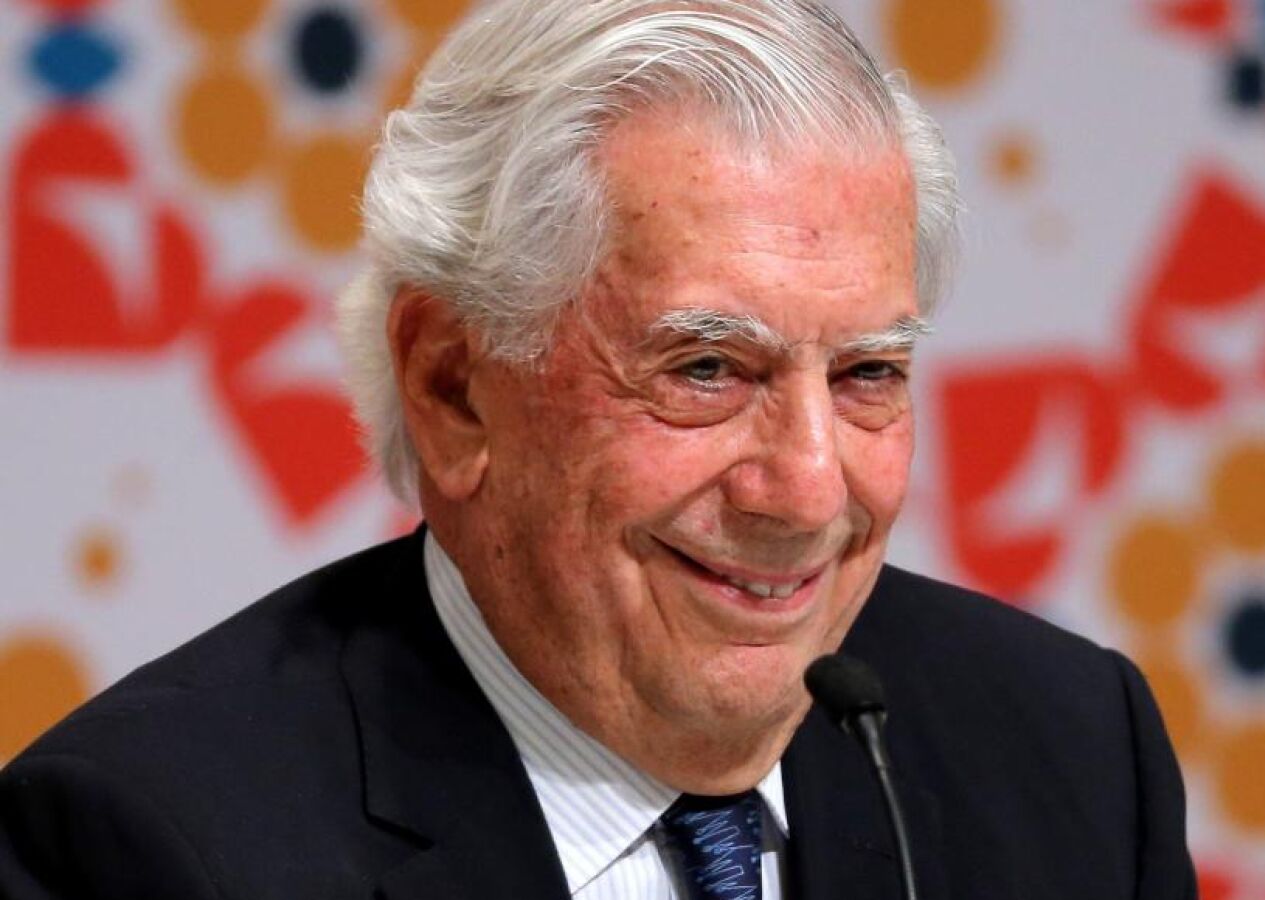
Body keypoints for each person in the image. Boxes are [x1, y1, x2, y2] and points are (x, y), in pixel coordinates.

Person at [0, 1, 1197, 896]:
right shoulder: (149, 848)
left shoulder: (1073, 757)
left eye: (866, 375)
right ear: (452, 388)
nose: (806, 490)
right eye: (707, 370)